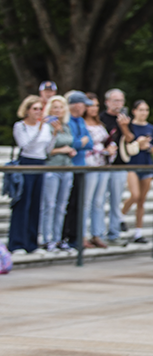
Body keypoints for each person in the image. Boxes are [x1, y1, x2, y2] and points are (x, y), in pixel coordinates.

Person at [7, 96, 53, 254]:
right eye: (35, 109)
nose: (38, 112)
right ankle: (17, 243)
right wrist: (38, 129)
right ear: (27, 110)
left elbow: (47, 149)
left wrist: (54, 134)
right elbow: (26, 145)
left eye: (40, 109)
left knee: (36, 204)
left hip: (40, 163)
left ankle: (32, 243)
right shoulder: (20, 126)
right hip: (26, 162)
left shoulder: (45, 127)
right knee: (23, 203)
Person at [119, 100, 153, 243]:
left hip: (147, 164)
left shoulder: (151, 128)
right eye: (141, 110)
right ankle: (120, 216)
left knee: (142, 200)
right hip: (132, 164)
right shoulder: (129, 126)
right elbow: (127, 142)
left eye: (146, 110)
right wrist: (138, 143)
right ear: (134, 111)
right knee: (135, 195)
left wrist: (148, 146)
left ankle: (138, 232)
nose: (144, 113)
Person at [59, 91, 94, 251]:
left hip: (81, 165)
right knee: (67, 203)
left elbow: (90, 143)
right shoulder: (67, 120)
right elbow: (70, 142)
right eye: (84, 105)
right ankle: (63, 236)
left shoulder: (80, 120)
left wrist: (79, 143)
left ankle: (74, 237)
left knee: (77, 203)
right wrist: (80, 143)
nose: (86, 108)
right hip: (69, 166)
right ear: (76, 105)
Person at [40, 106, 77, 251]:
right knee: (49, 205)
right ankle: (46, 239)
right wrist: (62, 149)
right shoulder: (46, 126)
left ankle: (58, 239)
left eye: (61, 107)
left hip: (66, 168)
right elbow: (45, 150)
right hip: (52, 169)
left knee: (62, 206)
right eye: (55, 107)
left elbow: (71, 143)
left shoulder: (66, 127)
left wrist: (71, 151)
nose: (58, 110)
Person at [99, 88, 131, 244]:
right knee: (99, 201)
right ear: (107, 102)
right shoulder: (100, 118)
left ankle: (114, 233)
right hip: (102, 164)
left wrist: (124, 126)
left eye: (121, 101)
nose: (118, 104)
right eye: (115, 100)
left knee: (116, 201)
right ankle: (98, 234)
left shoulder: (125, 119)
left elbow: (130, 139)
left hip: (119, 164)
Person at [82, 99, 113, 249]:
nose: (93, 108)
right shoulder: (82, 124)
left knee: (99, 201)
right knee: (86, 201)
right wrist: (102, 150)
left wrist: (111, 148)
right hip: (90, 163)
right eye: (90, 105)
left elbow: (107, 140)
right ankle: (82, 235)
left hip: (103, 164)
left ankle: (97, 234)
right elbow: (86, 145)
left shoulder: (100, 124)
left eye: (96, 105)